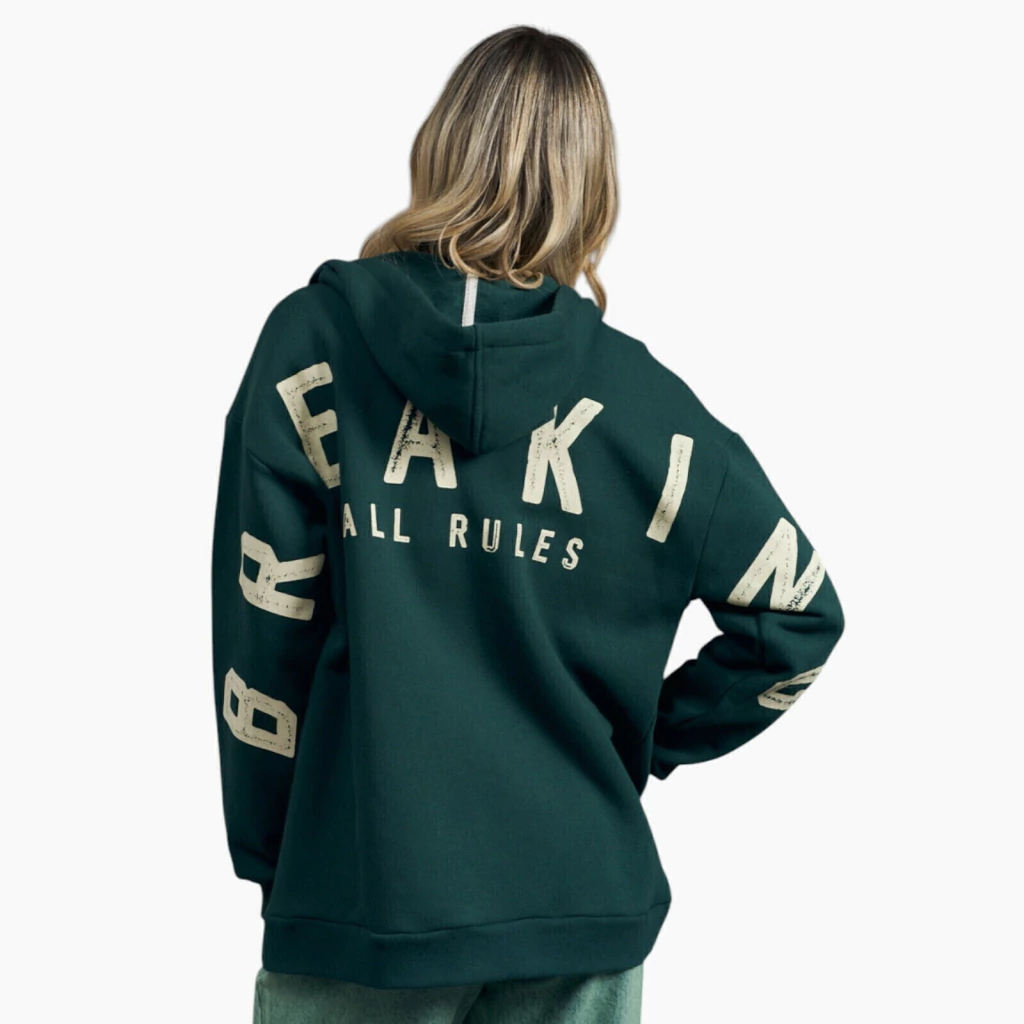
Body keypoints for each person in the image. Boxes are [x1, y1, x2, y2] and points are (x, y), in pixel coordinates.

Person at [211, 24, 845, 1024]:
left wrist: (274, 858)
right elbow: (797, 615)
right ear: (593, 188)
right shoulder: (644, 407)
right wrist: (628, 750)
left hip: (360, 894)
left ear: (441, 145)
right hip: (579, 902)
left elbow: (265, 621)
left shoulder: (315, 347)